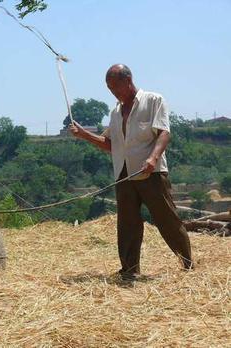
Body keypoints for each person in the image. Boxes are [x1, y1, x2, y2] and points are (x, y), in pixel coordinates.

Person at [69, 64, 193, 280]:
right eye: (109, 88)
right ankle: (129, 269)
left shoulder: (154, 101)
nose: (113, 92)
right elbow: (110, 144)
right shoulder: (116, 112)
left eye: (115, 86)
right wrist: (83, 134)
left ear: (128, 80)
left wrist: (153, 158)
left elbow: (164, 133)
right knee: (127, 223)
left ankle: (187, 263)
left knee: (166, 218)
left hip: (151, 173)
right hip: (124, 175)